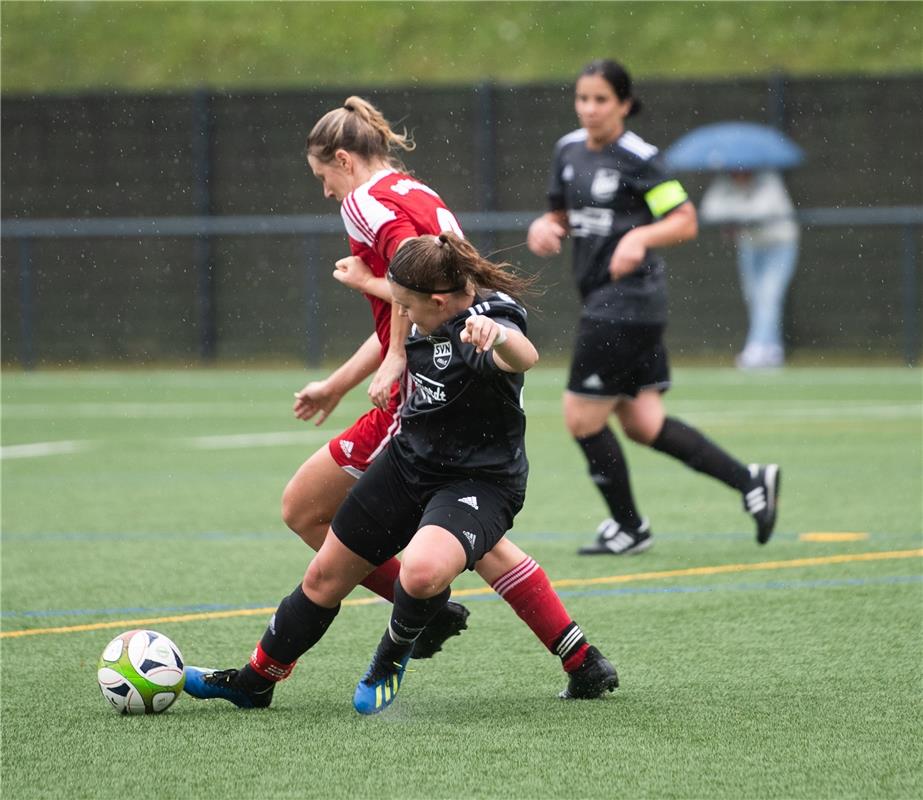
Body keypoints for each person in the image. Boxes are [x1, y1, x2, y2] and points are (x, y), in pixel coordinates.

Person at [182, 97, 617, 705]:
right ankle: (576, 655)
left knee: (334, 521)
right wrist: (351, 372)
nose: (328, 194)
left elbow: (513, 346)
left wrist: (397, 354)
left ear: (341, 159)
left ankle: (415, 627)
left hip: (460, 451)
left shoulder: (378, 216)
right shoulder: (417, 211)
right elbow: (410, 293)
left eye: (323, 178)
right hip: (421, 445)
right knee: (381, 558)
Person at [527, 59, 781, 556]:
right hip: (609, 301)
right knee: (644, 423)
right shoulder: (567, 150)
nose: (590, 109)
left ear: (624, 104)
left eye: (601, 100)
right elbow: (561, 210)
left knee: (581, 417)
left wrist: (640, 236)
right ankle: (750, 480)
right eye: (583, 98)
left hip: (626, 303)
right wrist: (546, 224)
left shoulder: (639, 158)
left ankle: (628, 527)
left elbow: (684, 220)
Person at [699, 170, 800, 369]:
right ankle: (772, 349)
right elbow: (709, 210)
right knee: (754, 297)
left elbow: (761, 211)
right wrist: (736, 215)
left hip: (779, 245)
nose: (739, 174)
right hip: (750, 246)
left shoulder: (770, 180)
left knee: (768, 296)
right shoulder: (724, 181)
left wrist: (733, 213)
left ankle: (756, 348)